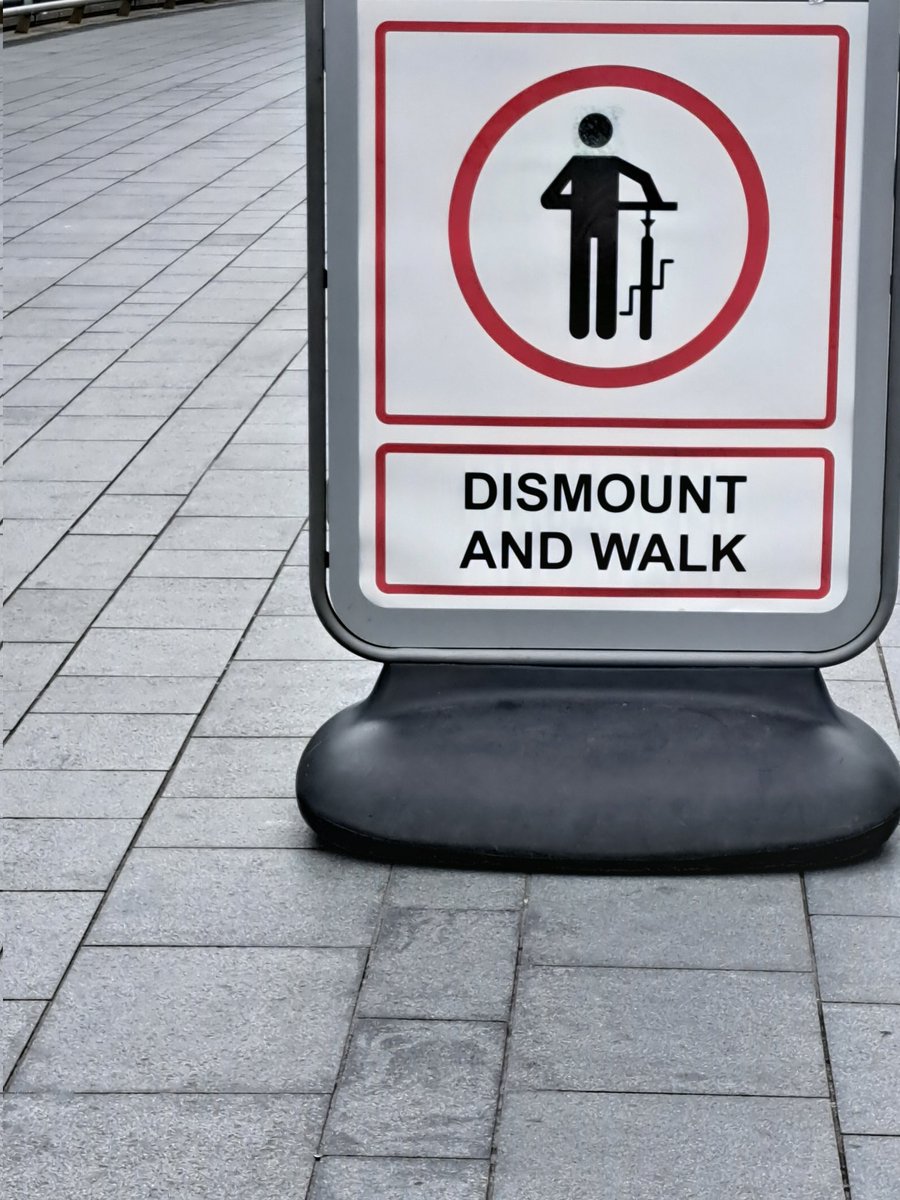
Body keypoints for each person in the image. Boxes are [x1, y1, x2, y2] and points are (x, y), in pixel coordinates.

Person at [541, 112, 666, 340]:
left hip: (586, 224)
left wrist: (578, 202)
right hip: (599, 225)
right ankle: (600, 328)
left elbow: (549, 199)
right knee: (596, 272)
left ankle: (588, 328)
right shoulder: (608, 164)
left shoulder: (577, 164)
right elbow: (645, 179)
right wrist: (654, 202)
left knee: (590, 272)